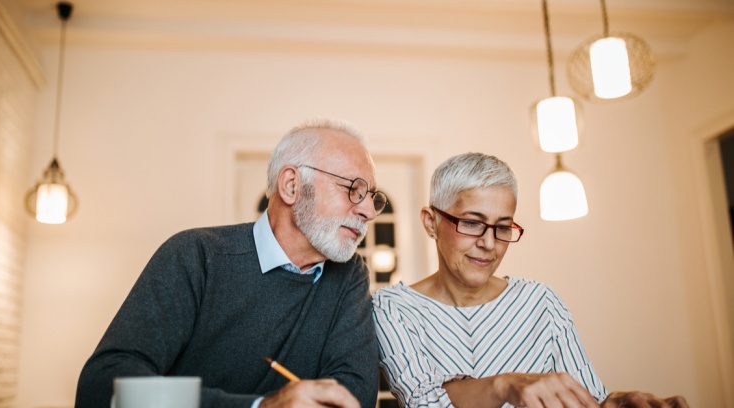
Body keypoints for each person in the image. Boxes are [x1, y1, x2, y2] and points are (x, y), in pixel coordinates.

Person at [75, 118, 388, 408]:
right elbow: (103, 387)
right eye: (353, 190)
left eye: (372, 196)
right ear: (291, 186)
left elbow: (351, 398)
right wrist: (259, 406)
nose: (369, 213)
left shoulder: (349, 275)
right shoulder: (196, 256)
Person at [372, 152, 689, 408]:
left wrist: (617, 402)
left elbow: (586, 399)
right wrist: (504, 385)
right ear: (431, 222)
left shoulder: (541, 302)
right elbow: (425, 403)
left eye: (503, 227)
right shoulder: (393, 308)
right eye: (472, 222)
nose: (489, 243)